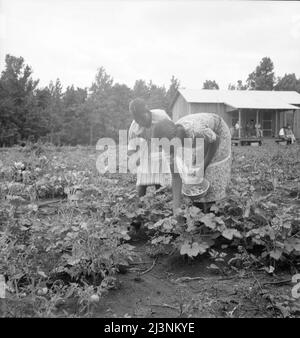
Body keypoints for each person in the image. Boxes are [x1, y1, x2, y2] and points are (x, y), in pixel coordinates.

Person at [152, 113, 231, 214]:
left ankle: (215, 209)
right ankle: (200, 208)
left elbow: (216, 140)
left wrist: (203, 166)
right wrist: (176, 208)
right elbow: (176, 177)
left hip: (218, 131)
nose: (166, 151)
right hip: (203, 138)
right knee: (196, 170)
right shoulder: (168, 147)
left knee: (213, 170)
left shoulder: (195, 130)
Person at [128, 98, 171, 197]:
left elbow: (173, 135)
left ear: (147, 111)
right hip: (145, 153)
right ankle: (139, 206)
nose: (140, 122)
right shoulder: (134, 127)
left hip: (162, 150)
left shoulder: (161, 117)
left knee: (161, 183)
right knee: (141, 183)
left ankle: (161, 202)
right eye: (137, 120)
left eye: (142, 118)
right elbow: (131, 148)